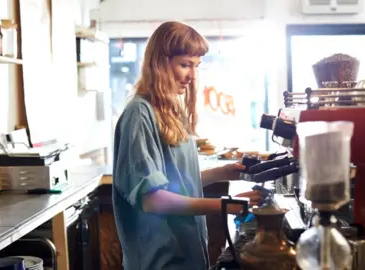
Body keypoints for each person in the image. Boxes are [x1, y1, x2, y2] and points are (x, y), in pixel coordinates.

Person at [112, 21, 265, 270]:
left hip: (183, 253)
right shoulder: (139, 114)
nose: (192, 76)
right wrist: (224, 205)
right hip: (158, 259)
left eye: (196, 66)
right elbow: (153, 199)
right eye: (185, 65)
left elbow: (177, 182)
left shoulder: (169, 111)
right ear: (159, 63)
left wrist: (223, 172)